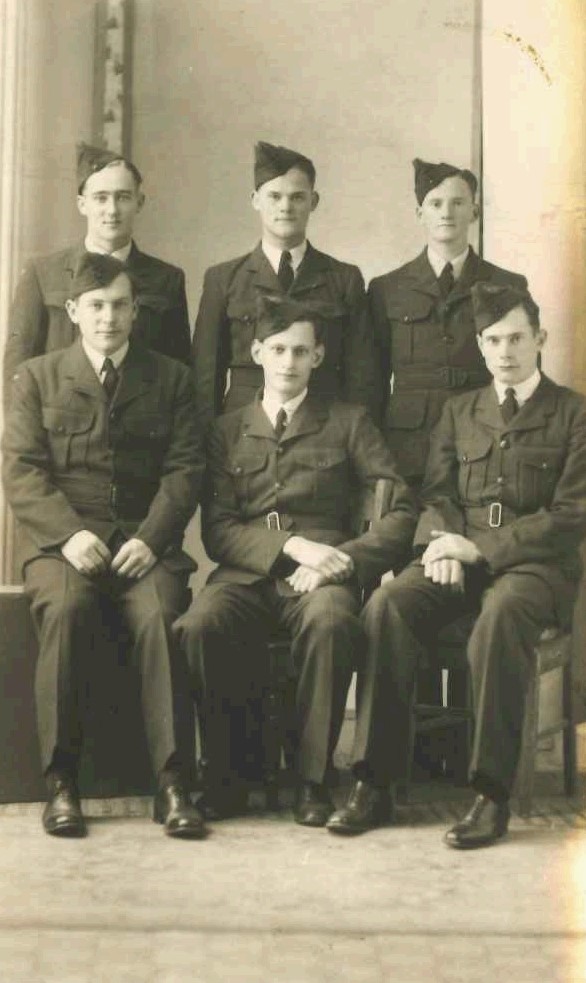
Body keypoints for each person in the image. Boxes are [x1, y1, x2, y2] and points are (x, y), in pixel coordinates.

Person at [327, 282, 586, 845]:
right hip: (457, 554)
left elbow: (571, 515)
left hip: (534, 569)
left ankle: (490, 795)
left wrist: (481, 550)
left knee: (500, 617)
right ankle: (375, 782)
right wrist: (440, 544)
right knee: (387, 605)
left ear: (539, 339)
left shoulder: (573, 413)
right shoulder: (459, 410)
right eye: (493, 340)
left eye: (517, 338)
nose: (505, 351)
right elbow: (437, 491)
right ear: (480, 344)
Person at [175, 294, 415, 824]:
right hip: (248, 572)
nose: (289, 362)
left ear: (319, 357)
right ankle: (228, 775)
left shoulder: (348, 421)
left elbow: (398, 509)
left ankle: (313, 780)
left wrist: (344, 559)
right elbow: (217, 531)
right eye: (278, 349)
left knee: (332, 623)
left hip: (326, 574)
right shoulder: (226, 429)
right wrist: (288, 549)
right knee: (198, 626)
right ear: (257, 351)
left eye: (301, 351)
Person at [2, 253, 205, 840]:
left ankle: (171, 784)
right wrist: (69, 535)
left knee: (162, 615)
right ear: (73, 311)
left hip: (148, 543)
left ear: (136, 311)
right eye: (95, 306)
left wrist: (151, 538)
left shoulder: (171, 378)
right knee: (66, 612)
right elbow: (22, 471)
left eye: (119, 306)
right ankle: (62, 784)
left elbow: (185, 468)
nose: (108, 318)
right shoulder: (36, 377)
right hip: (65, 544)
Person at [191, 141, 379, 429]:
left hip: (324, 429)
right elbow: (206, 378)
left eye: (297, 197)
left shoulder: (343, 278)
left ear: (313, 201)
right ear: (255, 199)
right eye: (274, 196)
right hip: (243, 429)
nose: (285, 207)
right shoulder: (224, 279)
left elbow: (361, 377)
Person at [369, 157, 528, 487]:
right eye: (436, 203)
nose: (446, 212)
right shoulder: (387, 288)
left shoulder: (508, 285)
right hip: (409, 447)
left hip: (484, 436)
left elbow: (523, 374)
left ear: (474, 211)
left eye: (458, 202)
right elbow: (372, 380)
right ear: (419, 213)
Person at [3, 143, 191, 401]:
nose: (112, 210)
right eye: (101, 198)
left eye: (123, 197)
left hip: (140, 430)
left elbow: (179, 371)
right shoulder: (42, 274)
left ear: (140, 202)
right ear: (82, 204)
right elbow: (18, 367)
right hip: (59, 425)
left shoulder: (166, 279)